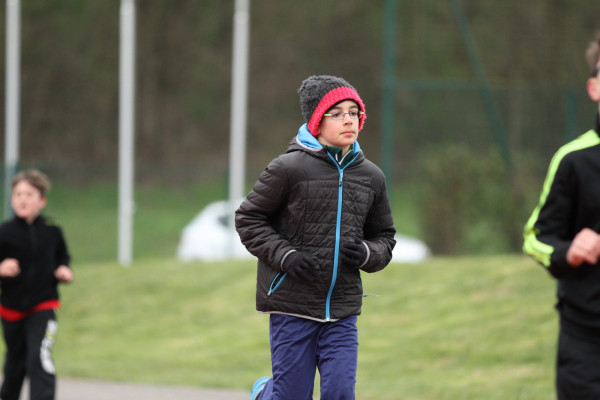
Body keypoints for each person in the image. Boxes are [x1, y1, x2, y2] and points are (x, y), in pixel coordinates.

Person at [235, 75, 396, 400]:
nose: (348, 120)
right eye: (336, 114)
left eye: (354, 112)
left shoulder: (371, 177)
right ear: (316, 121)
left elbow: (385, 238)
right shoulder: (288, 168)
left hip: (342, 311)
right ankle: (265, 393)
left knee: (340, 393)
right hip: (292, 306)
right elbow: (249, 219)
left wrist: (367, 253)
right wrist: (286, 256)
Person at [523, 31, 600, 399]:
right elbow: (535, 238)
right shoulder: (573, 160)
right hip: (586, 338)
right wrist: (568, 251)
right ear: (593, 87)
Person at [0, 170, 73, 400]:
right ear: (12, 200)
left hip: (43, 305)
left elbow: (63, 257)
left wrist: (64, 270)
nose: (22, 199)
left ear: (42, 201)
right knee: (15, 363)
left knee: (39, 356)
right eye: (18, 194)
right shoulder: (4, 232)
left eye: (29, 194)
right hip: (11, 309)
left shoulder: (52, 231)